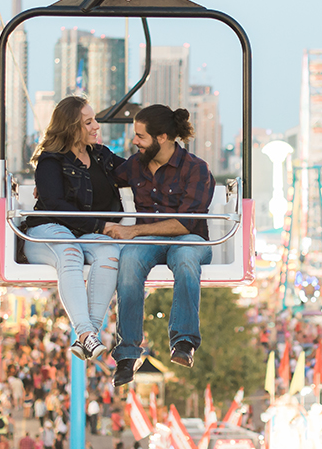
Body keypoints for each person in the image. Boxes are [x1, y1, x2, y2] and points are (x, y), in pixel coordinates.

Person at [107, 105, 214, 386]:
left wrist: (134, 231)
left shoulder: (196, 169)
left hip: (188, 238)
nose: (135, 142)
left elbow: (186, 223)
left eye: (141, 137)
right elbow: (102, 178)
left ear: (162, 137)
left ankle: (184, 341)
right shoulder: (134, 165)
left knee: (186, 259)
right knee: (128, 262)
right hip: (148, 242)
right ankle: (127, 353)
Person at [25, 96, 124, 362]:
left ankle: (87, 335)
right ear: (71, 126)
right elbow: (56, 206)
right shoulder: (50, 162)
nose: (96, 127)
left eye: (95, 120)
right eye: (88, 122)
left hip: (83, 234)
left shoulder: (101, 156)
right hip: (47, 231)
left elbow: (132, 172)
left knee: (109, 253)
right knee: (69, 252)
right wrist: (101, 225)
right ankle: (86, 333)